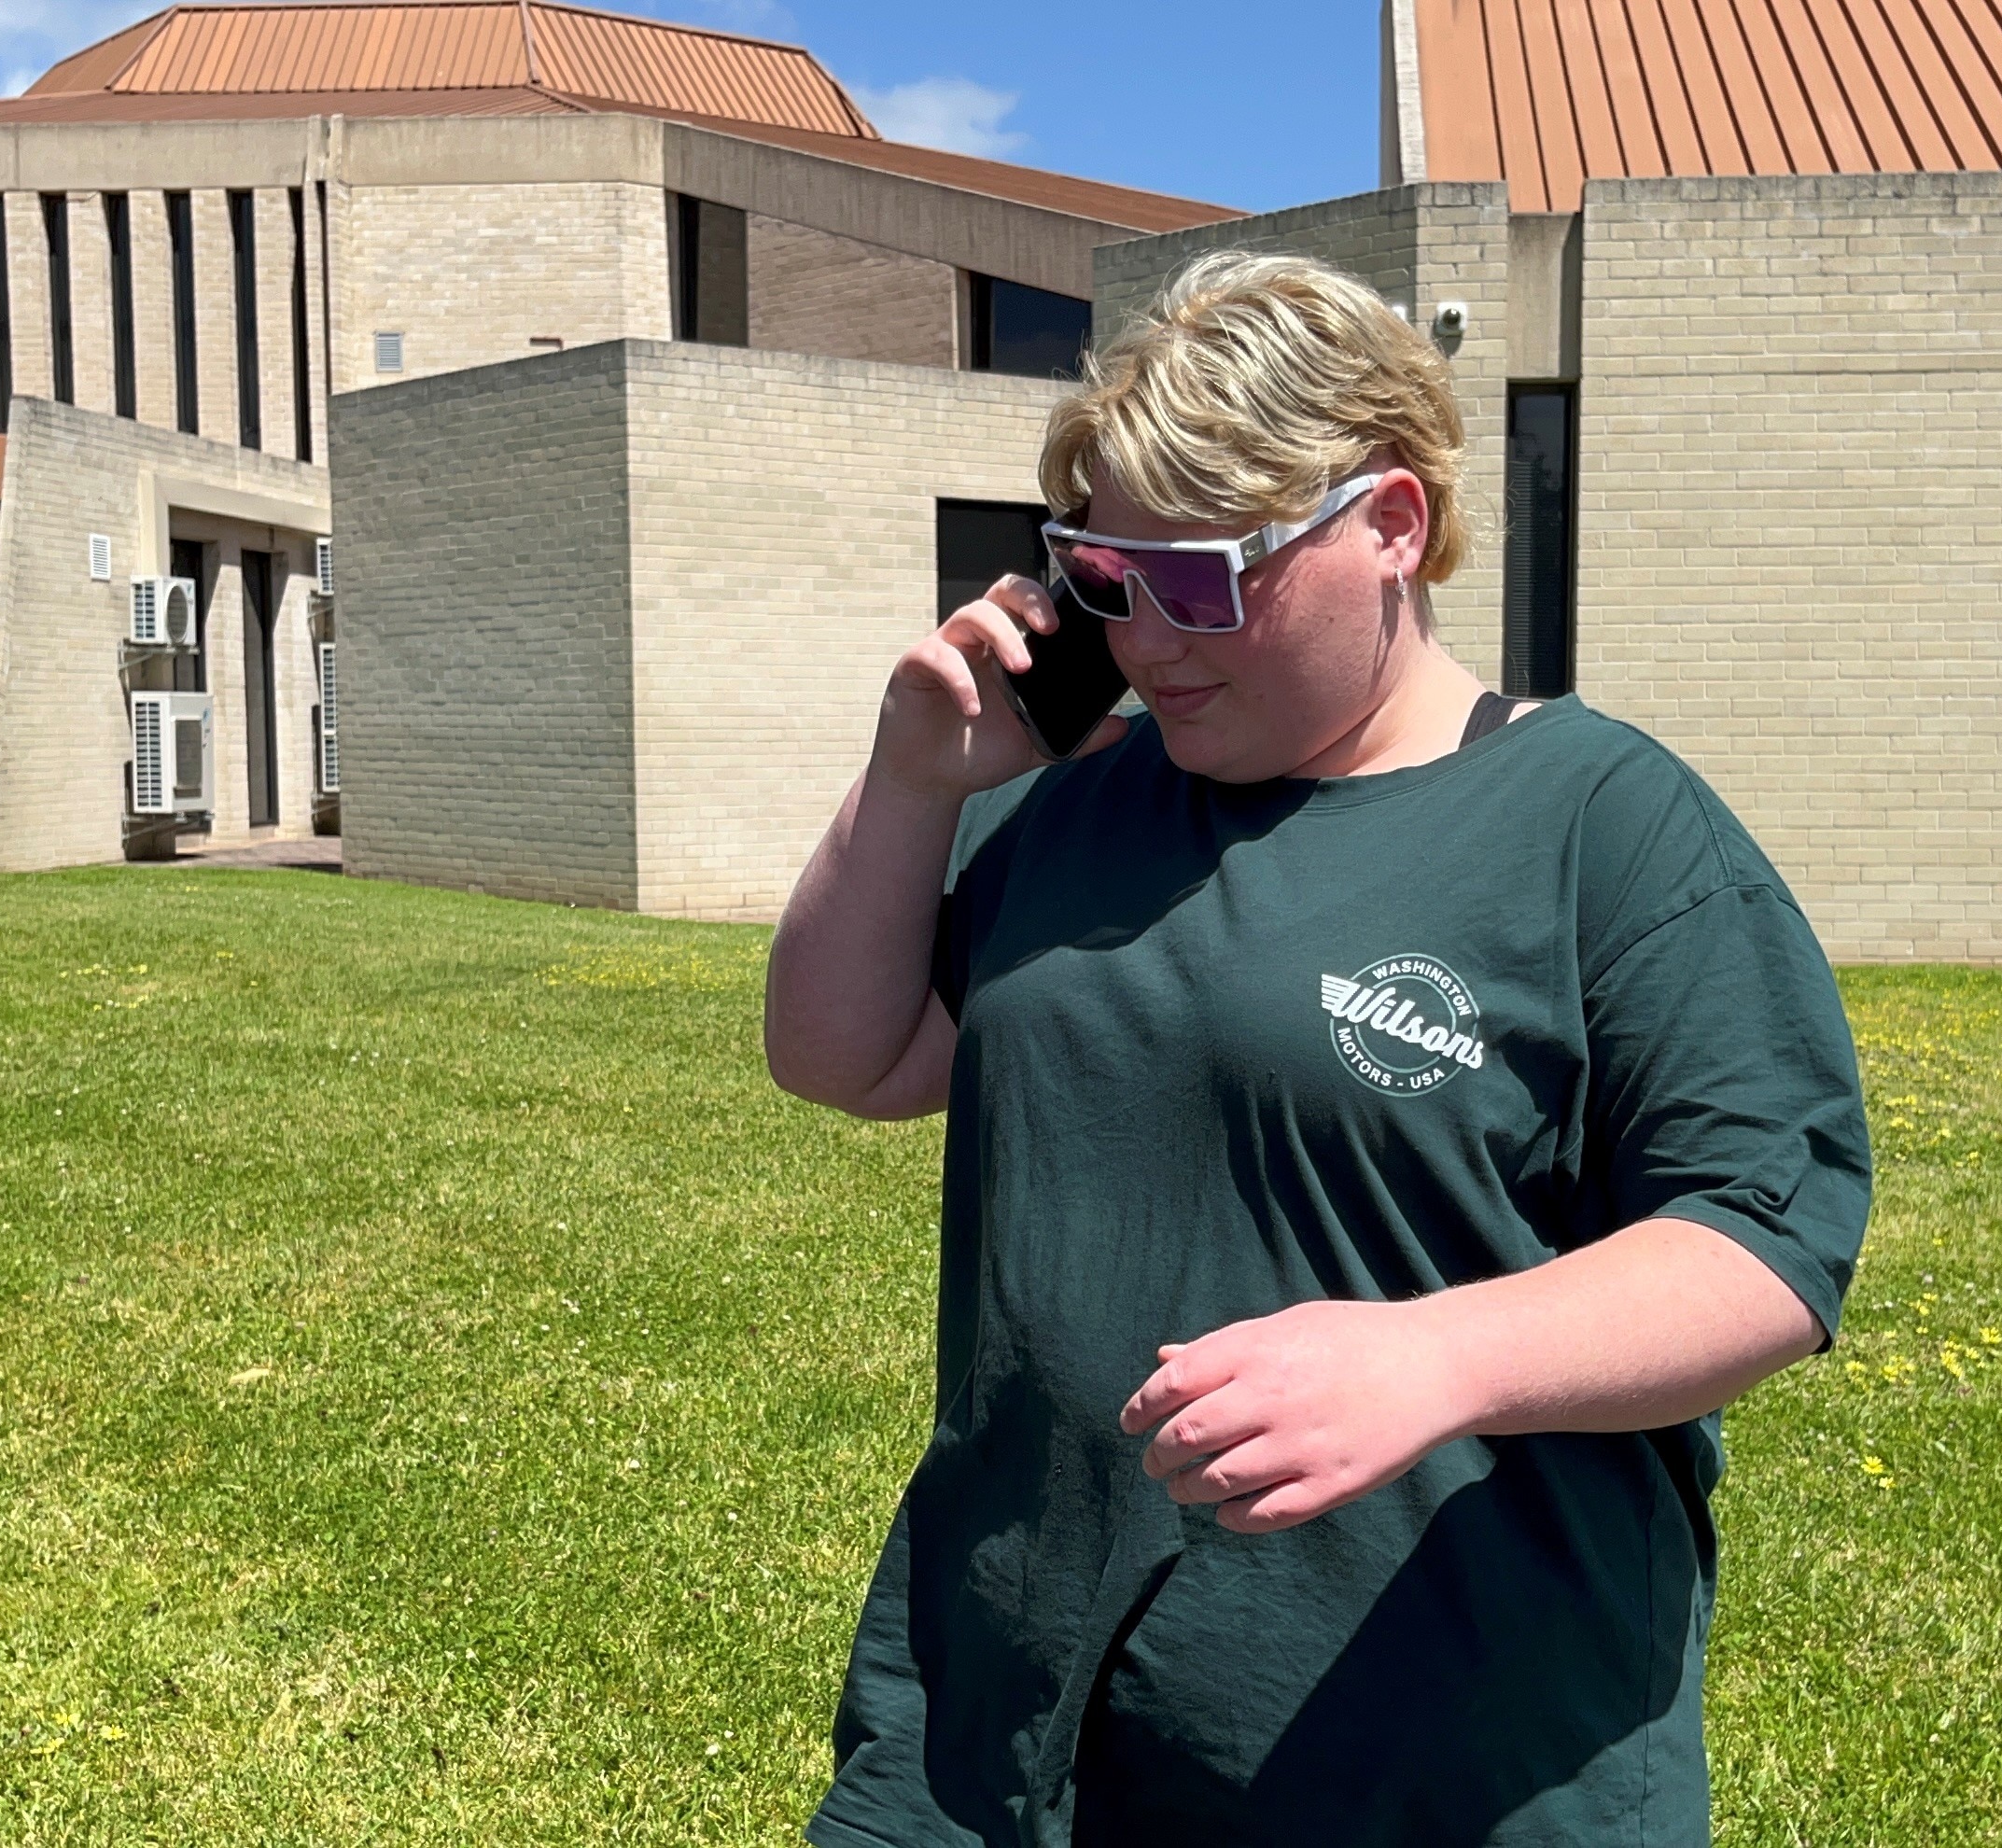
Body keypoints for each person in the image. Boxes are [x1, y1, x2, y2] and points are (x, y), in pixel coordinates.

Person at [764, 251, 1869, 1847]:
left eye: (1204, 578)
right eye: (1104, 576)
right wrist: (912, 783)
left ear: (1392, 524)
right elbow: (844, 1059)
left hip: (1436, 1758)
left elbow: (1768, 1239)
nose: (1148, 638)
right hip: (998, 1722)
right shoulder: (1076, 798)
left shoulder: (1601, 826)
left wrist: (1438, 1357)